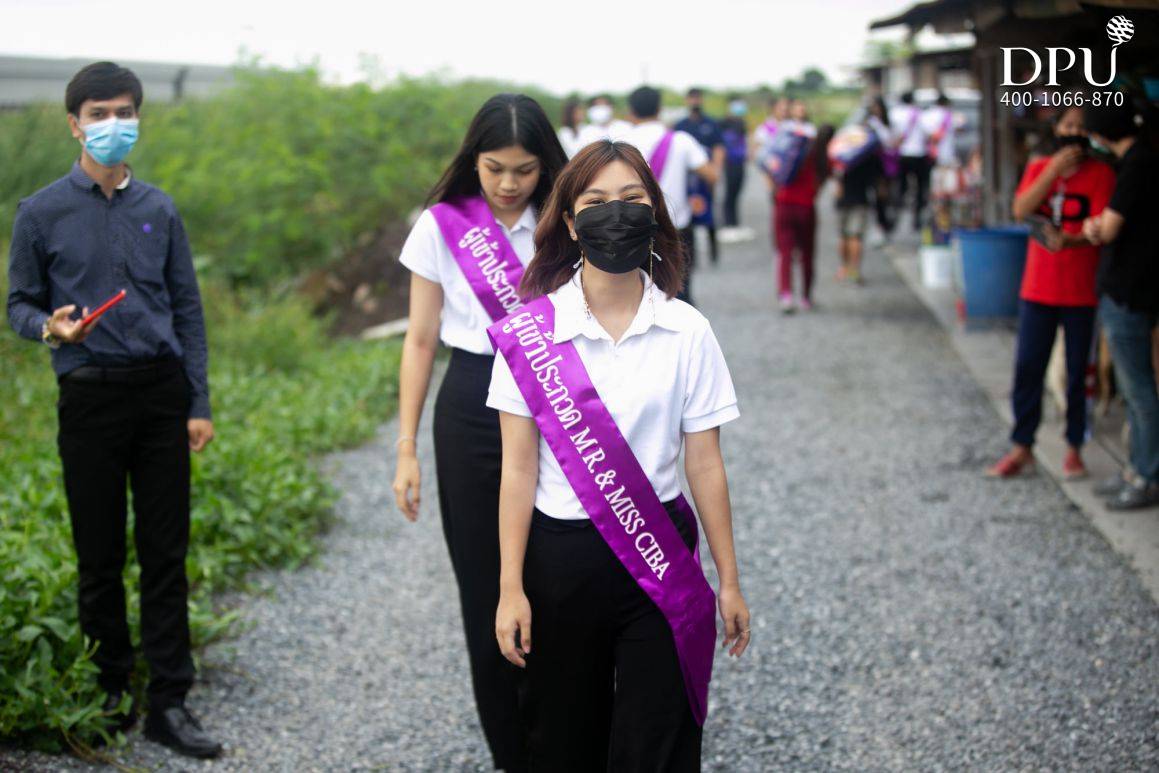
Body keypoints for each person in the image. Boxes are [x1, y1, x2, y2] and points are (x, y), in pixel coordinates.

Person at [487, 140, 751, 771]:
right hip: (561, 562)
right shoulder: (529, 334)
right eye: (597, 202)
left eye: (633, 200)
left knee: (658, 740)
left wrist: (730, 580)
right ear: (571, 223)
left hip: (659, 553)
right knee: (563, 738)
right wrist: (509, 587)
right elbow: (517, 470)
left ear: (656, 214)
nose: (617, 213)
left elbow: (705, 462)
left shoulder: (687, 329)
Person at [5, 62, 221, 758]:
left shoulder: (160, 207)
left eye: (124, 111)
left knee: (165, 551)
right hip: (90, 393)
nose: (112, 125)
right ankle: (106, 692)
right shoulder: (40, 212)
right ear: (74, 123)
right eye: (98, 113)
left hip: (161, 394)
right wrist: (52, 328)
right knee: (98, 555)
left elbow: (186, 308)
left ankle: (169, 701)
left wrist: (197, 401)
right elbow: (17, 303)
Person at [390, 93, 568, 772]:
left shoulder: (564, 220)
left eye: (523, 169)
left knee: (554, 573)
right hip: (469, 404)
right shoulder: (442, 224)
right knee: (485, 585)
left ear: (543, 165)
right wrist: (405, 447)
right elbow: (418, 339)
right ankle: (512, 750)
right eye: (494, 167)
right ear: (473, 160)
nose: (508, 184)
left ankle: (564, 733)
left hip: (555, 402)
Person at [985, 105, 1115, 481]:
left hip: (1082, 289)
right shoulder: (1039, 168)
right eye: (1067, 124)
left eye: (1080, 126)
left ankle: (1075, 447)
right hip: (1038, 287)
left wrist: (1071, 241)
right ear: (1055, 128)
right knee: (1028, 367)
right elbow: (1020, 208)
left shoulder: (1102, 175)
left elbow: (1104, 228)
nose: (1073, 131)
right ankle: (1022, 446)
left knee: (1079, 374)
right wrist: (1054, 171)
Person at [1082, 99, 1159, 510]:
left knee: (1138, 389)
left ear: (1101, 131)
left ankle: (1146, 475)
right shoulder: (1143, 160)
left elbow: (1107, 228)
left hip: (1129, 290)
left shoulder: (1136, 165)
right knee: (1135, 388)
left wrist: (1094, 227)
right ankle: (1136, 468)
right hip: (1136, 287)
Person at [622, 85, 717, 306]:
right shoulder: (681, 140)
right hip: (675, 229)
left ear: (631, 110)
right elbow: (711, 175)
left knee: (637, 297)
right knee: (679, 296)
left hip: (630, 231)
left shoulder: (619, 142)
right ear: (659, 109)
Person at [771, 124, 834, 313]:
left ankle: (786, 295)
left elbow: (774, 170)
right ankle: (806, 297)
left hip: (783, 204)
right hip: (806, 207)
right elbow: (821, 182)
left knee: (785, 252)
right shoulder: (821, 157)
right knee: (807, 253)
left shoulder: (793, 148)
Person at [675, 88, 726, 264]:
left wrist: (716, 171)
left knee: (709, 215)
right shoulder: (680, 125)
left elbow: (719, 147)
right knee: (688, 217)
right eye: (692, 98)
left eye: (697, 98)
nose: (695, 101)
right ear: (687, 100)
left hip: (705, 176)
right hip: (687, 180)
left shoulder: (711, 123)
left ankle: (714, 254)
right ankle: (691, 258)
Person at [834, 127, 884, 285]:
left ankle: (843, 267)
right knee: (856, 236)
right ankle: (854, 270)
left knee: (843, 236)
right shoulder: (869, 155)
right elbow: (879, 181)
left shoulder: (843, 153)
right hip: (861, 200)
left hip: (842, 200)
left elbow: (835, 175)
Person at [892, 91, 930, 231]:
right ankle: (917, 216)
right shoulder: (919, 113)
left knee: (901, 185)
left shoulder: (895, 113)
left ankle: (897, 214)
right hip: (919, 154)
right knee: (920, 186)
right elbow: (928, 133)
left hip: (902, 154)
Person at [718, 94, 752, 241]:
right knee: (730, 194)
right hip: (730, 163)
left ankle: (735, 224)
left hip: (740, 163)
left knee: (737, 193)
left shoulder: (741, 123)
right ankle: (728, 224)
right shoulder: (723, 123)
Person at [866, 95, 898, 246]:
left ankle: (884, 225)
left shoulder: (887, 124)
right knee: (879, 197)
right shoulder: (870, 125)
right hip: (876, 165)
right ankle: (881, 225)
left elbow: (892, 141)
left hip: (887, 164)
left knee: (886, 197)